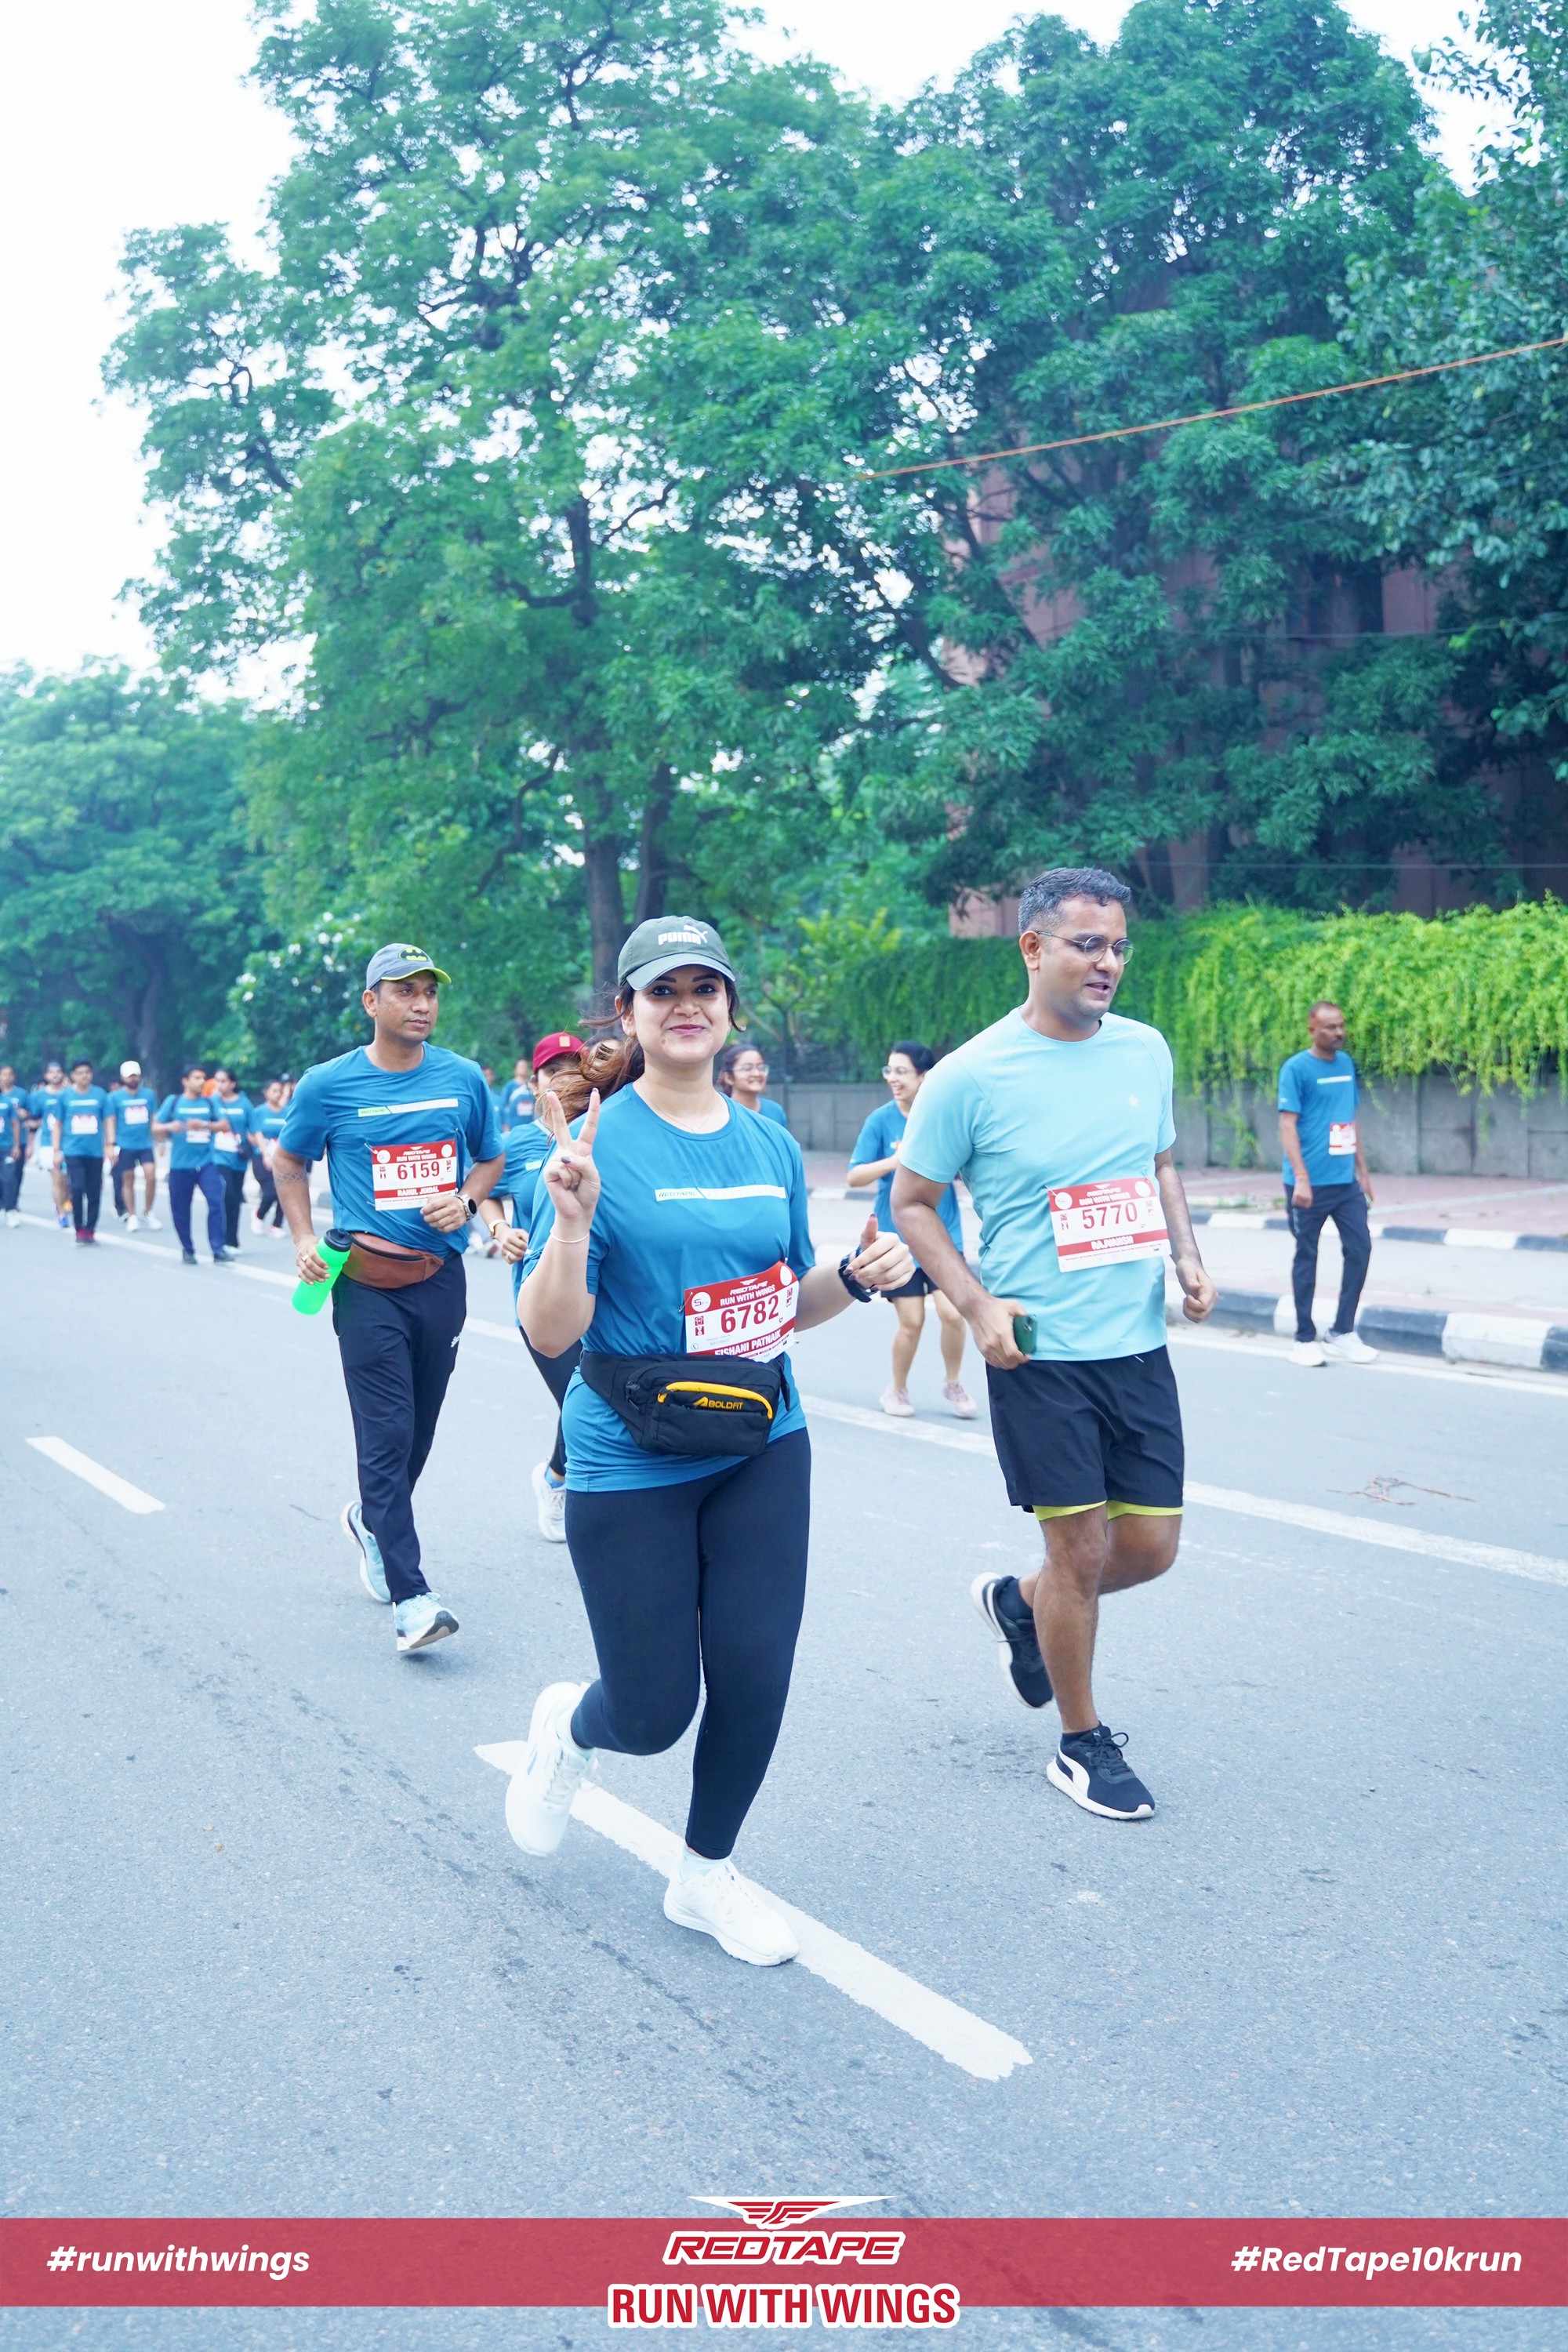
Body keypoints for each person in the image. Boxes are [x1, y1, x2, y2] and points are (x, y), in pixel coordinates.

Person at [505, 914, 913, 1966]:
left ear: (730, 1008)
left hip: (761, 1437)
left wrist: (855, 1278)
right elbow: (548, 1330)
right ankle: (571, 1729)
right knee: (651, 1714)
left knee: (755, 1673)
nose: (686, 1005)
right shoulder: (591, 1144)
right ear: (628, 1013)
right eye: (663, 990)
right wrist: (574, 1222)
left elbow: (785, 1302)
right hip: (629, 1452)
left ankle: (705, 1874)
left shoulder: (766, 1142)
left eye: (705, 988)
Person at [891, 867, 1218, 1825]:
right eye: (1086, 944)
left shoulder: (1143, 1050)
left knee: (1148, 1548)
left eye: (1117, 945)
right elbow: (912, 1203)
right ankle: (1081, 1743)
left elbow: (1158, 1161)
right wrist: (973, 1303)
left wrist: (1187, 1256)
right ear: (1031, 948)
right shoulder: (969, 1076)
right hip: (1034, 1349)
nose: (1107, 961)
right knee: (1079, 1550)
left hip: (1134, 1344)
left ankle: (1018, 1604)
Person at [274, 944, 503, 1656]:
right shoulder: (328, 1084)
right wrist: (303, 1237)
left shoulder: (462, 1078)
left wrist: (467, 1201)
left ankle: (375, 1522)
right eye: (405, 991)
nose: (422, 1003)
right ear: (371, 1002)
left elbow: (490, 1156)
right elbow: (289, 1160)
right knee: (386, 1430)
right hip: (365, 1283)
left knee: (420, 1427)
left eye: (430, 991)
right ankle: (412, 1598)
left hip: (441, 1277)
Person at [476, 1030, 588, 1542]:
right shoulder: (517, 1142)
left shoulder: (604, 1132)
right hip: (541, 1296)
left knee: (597, 1401)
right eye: (552, 1070)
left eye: (574, 1066)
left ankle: (575, 1485)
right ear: (535, 1082)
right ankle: (557, 1479)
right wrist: (501, 1230)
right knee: (581, 1401)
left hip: (602, 1292)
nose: (564, 1077)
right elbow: (487, 1193)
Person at [848, 1040, 975, 1420]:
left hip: (942, 1235)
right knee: (912, 1321)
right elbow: (855, 1176)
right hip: (895, 1241)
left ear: (924, 1077)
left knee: (954, 1314)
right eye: (889, 1071)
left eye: (901, 1071)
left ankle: (953, 1383)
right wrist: (896, 1160)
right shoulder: (880, 1121)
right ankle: (897, 1389)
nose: (893, 1078)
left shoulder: (941, 1116)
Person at [1278, 1003, 1378, 1369]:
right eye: (1330, 1027)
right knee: (1307, 1256)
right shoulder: (1296, 1069)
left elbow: (1349, 1119)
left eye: (1342, 1026)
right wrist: (1302, 1178)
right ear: (1312, 1030)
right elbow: (1287, 1126)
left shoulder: (1346, 1064)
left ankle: (1342, 1332)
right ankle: (1304, 1338)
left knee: (1360, 1248)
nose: (1339, 1033)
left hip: (1344, 1183)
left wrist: (1363, 1172)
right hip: (1308, 1185)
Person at [155, 1065, 230, 1265]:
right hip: (180, 1165)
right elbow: (155, 1126)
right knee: (180, 1209)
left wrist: (204, 1125)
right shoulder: (174, 1102)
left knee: (216, 1201)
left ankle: (218, 1249)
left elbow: (224, 1125)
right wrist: (169, 1126)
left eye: (203, 1078)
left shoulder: (210, 1102)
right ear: (185, 1081)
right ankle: (187, 1249)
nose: (201, 1081)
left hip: (206, 1163)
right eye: (196, 1078)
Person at [50, 1060, 114, 1245]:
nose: (84, 1076)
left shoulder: (100, 1095)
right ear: (73, 1075)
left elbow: (109, 1120)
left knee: (94, 1191)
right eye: (80, 1073)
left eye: (87, 1072)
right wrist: (56, 1150)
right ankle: (79, 1227)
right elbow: (58, 1124)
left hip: (95, 1152)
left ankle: (90, 1229)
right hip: (73, 1150)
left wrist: (110, 1144)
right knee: (76, 1188)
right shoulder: (65, 1096)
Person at [108, 1060, 161, 1228]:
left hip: (145, 1144)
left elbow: (154, 1119)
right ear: (123, 1078)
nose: (133, 1079)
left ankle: (148, 1211)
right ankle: (132, 1215)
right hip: (125, 1144)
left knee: (151, 1175)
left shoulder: (148, 1095)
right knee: (128, 1179)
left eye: (135, 1076)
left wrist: (160, 1141)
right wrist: (110, 1145)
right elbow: (111, 1122)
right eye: (130, 1076)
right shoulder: (115, 1097)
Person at [210, 1069, 258, 1250]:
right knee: (227, 1193)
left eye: (223, 1081)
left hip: (238, 1158)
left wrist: (263, 1150)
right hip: (218, 1155)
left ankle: (232, 1239)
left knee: (235, 1198)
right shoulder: (212, 1102)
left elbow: (254, 1129)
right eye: (217, 1081)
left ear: (232, 1083)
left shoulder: (244, 1103)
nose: (219, 1085)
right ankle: (220, 1237)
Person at [29, 1062, 70, 1228]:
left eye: (58, 1072)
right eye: (52, 1072)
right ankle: (61, 1213)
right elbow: (33, 1120)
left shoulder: (69, 1094)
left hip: (69, 1142)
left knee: (66, 1180)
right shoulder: (39, 1096)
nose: (55, 1075)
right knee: (57, 1178)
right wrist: (30, 1146)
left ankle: (63, 1202)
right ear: (46, 1075)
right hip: (48, 1144)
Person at [250, 1080, 289, 1235]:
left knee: (285, 1191)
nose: (277, 1094)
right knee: (270, 1192)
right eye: (274, 1091)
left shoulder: (287, 1112)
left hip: (283, 1158)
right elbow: (251, 1133)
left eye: (280, 1091)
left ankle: (277, 1225)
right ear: (266, 1093)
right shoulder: (258, 1112)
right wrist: (264, 1148)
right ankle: (259, 1215)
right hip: (262, 1158)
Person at [716, 1043, 788, 1126]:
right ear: (729, 1078)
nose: (757, 1074)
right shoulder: (719, 1114)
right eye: (747, 1068)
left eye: (761, 1068)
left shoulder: (775, 1111)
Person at [0, 1065, 28, 1225]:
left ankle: (10, 1209)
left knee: (9, 1177)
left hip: (6, 1146)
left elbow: (16, 1123)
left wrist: (16, 1145)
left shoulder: (8, 1102)